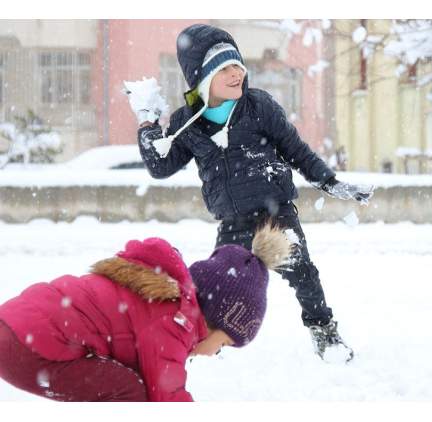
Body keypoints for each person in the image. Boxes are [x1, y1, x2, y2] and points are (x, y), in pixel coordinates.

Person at [125, 23, 374, 362]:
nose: (236, 74)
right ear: (202, 78)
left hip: (276, 215)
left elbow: (296, 150)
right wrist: (147, 123)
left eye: (238, 65)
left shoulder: (258, 106)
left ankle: (324, 332)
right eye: (224, 69)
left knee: (303, 274)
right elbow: (160, 165)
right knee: (215, 289)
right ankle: (202, 341)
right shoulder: (187, 122)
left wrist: (329, 182)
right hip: (232, 221)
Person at [0, 223, 292, 401]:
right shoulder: (175, 320)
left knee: (123, 385)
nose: (216, 353)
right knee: (128, 392)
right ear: (214, 318)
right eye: (225, 343)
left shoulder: (166, 301)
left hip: (15, 330)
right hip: (25, 348)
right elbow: (167, 396)